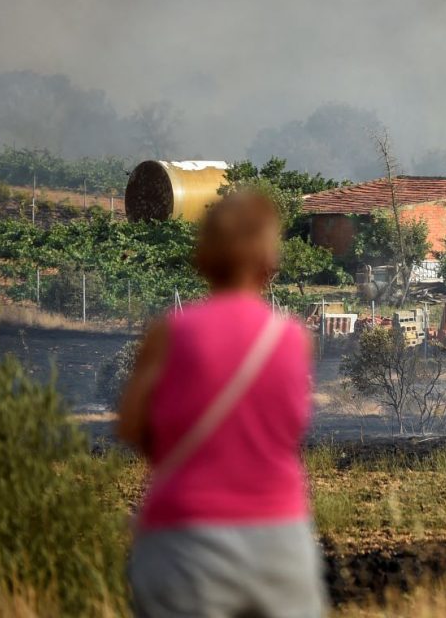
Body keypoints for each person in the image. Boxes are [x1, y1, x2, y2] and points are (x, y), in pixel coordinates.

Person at [117, 190, 325, 618]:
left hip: (184, 539)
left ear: (202, 256)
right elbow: (292, 428)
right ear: (269, 259)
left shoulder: (168, 334)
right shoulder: (293, 338)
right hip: (278, 538)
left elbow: (131, 427)